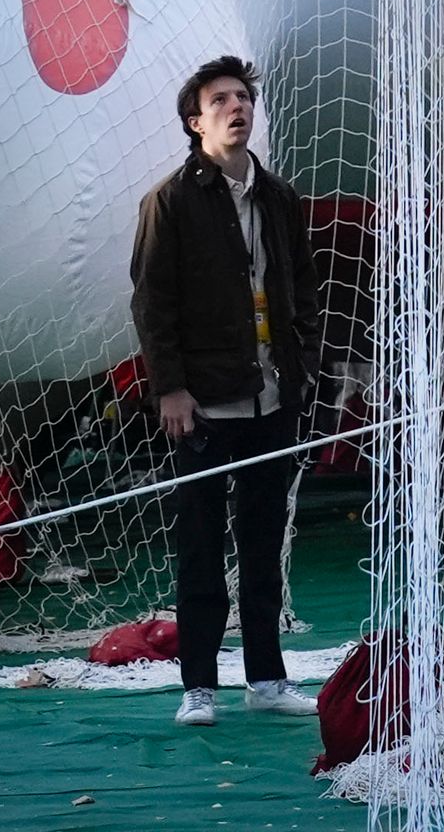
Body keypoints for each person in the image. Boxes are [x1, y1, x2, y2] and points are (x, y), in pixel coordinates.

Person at [128, 54, 321, 726]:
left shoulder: (280, 197)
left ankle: (266, 677)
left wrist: (304, 370)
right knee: (202, 547)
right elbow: (153, 305)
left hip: (273, 399)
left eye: (244, 98)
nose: (238, 108)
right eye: (221, 101)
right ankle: (199, 685)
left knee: (264, 543)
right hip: (204, 404)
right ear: (195, 120)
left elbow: (300, 289)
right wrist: (171, 390)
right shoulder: (170, 202)